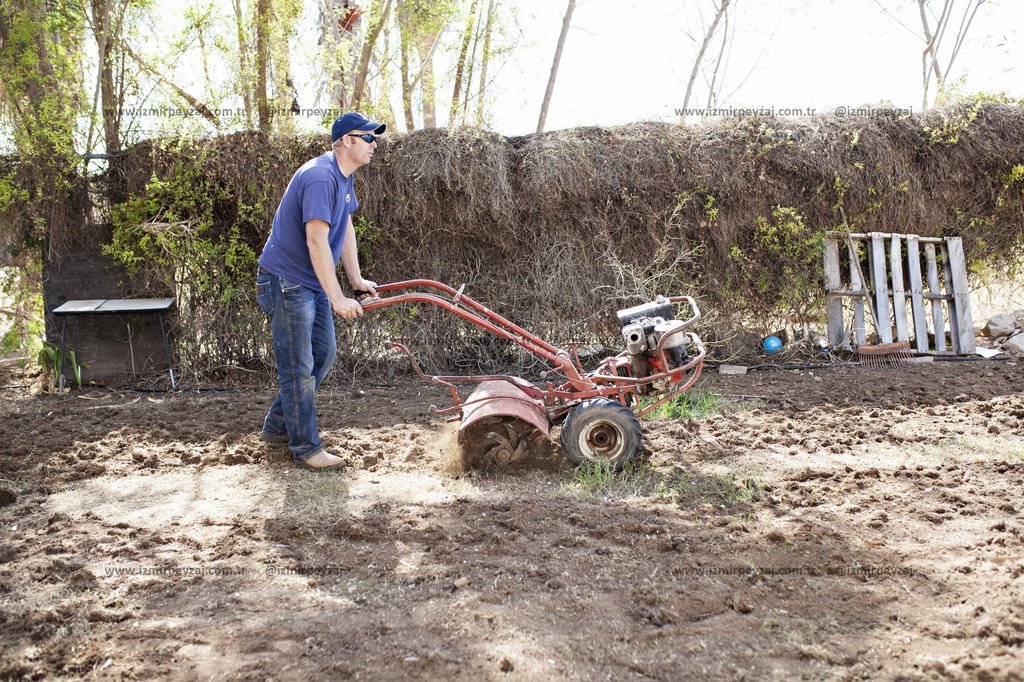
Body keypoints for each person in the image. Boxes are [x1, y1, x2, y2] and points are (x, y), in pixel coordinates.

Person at [255, 112, 384, 470]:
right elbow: (316, 239)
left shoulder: (343, 178)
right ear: (347, 140)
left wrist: (355, 279)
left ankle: (279, 427)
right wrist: (337, 297)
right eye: (369, 137)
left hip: (307, 282)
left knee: (322, 356)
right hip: (285, 282)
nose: (375, 144)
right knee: (299, 368)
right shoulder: (320, 176)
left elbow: (344, 229)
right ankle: (306, 449)